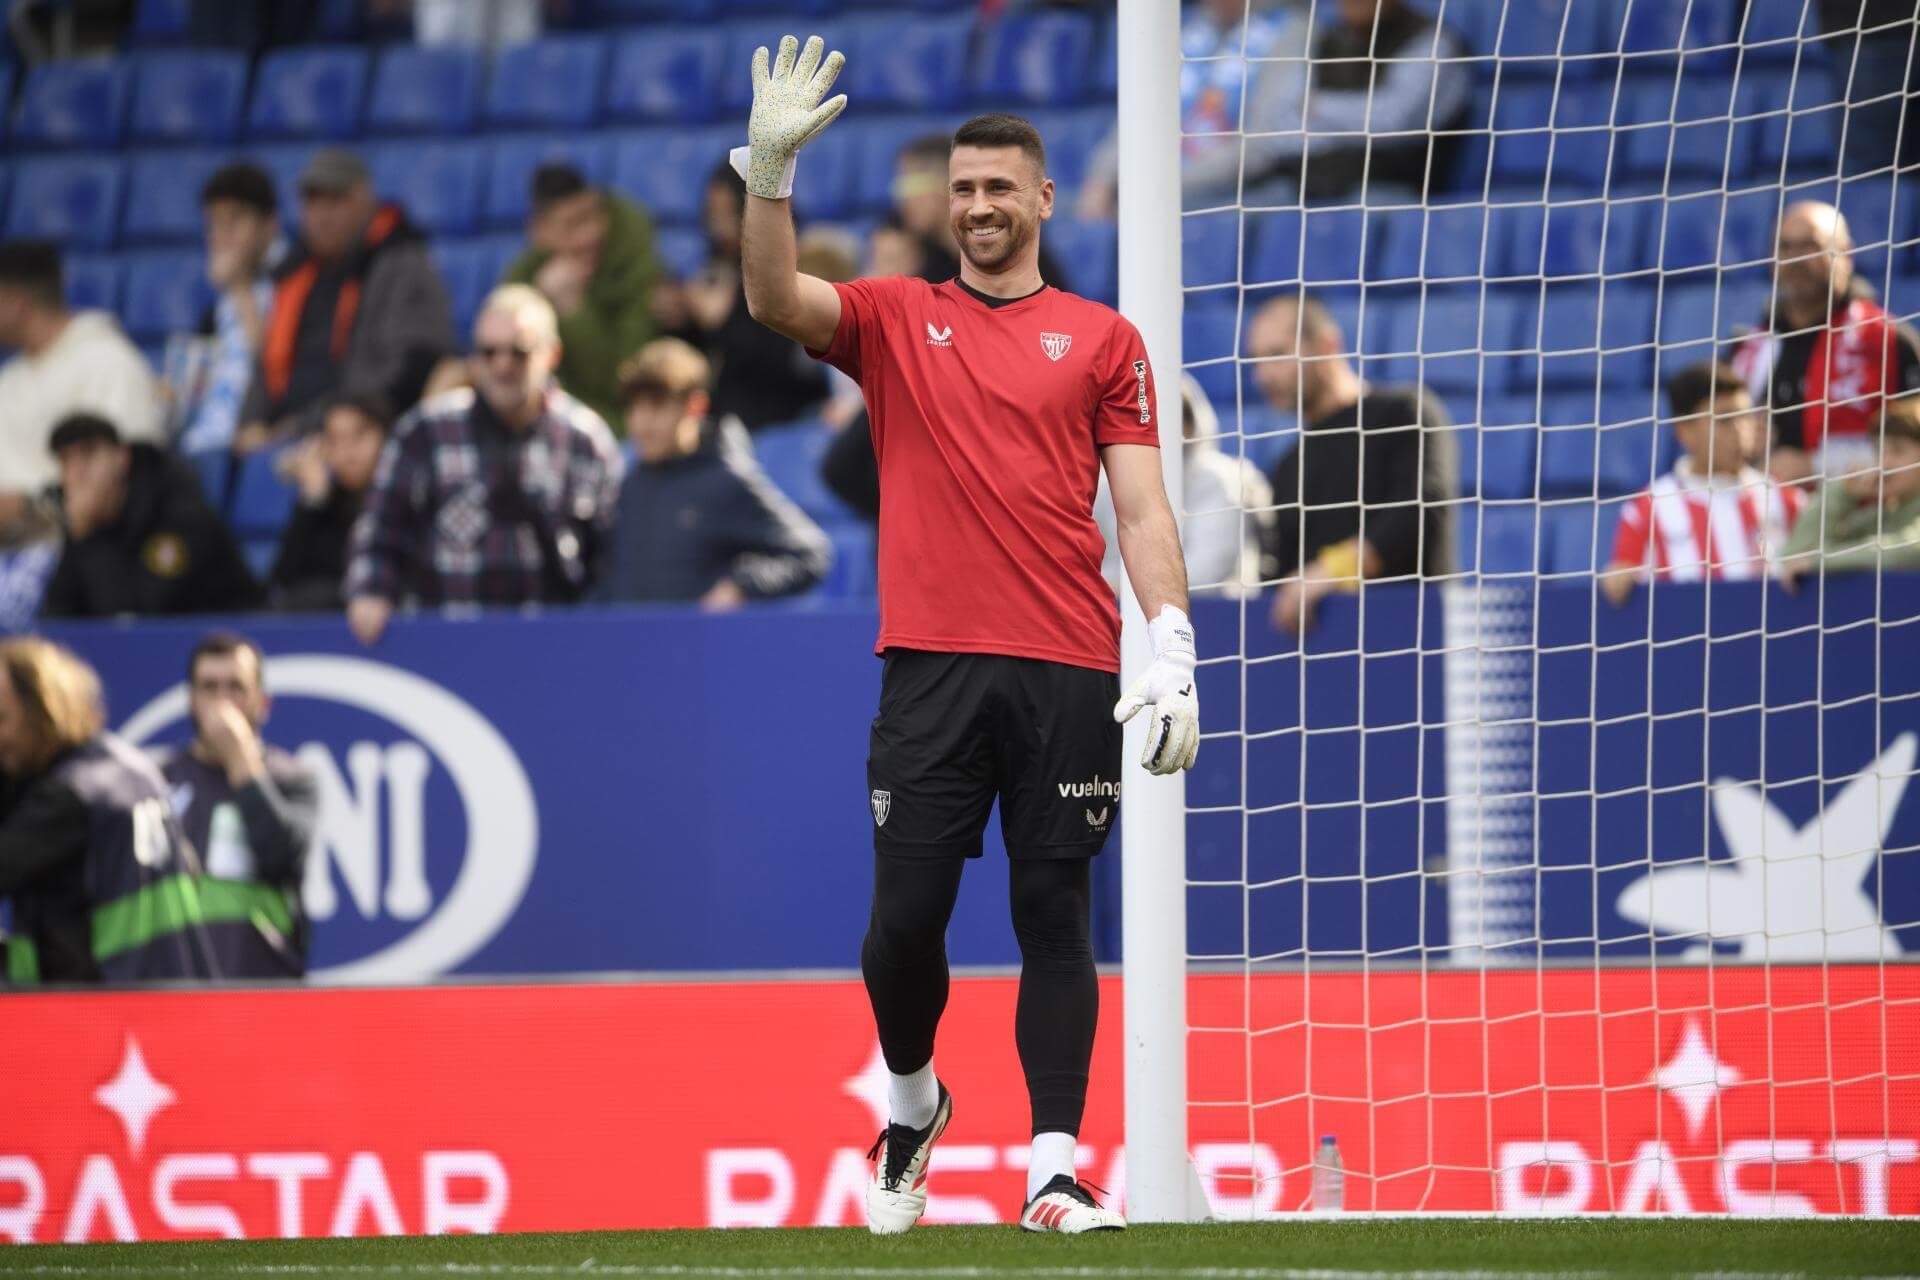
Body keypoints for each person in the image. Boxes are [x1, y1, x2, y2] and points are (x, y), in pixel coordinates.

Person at [738, 39, 1199, 1235]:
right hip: (932, 666)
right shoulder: (894, 318)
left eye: (1002, 187)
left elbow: (1142, 506)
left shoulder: (1106, 340)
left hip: (1068, 665)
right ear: (947, 205)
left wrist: (1175, 643)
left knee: (1056, 912)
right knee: (902, 926)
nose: (981, 205)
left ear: (1044, 200)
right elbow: (773, 300)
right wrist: (771, 180)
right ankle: (913, 1099)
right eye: (964, 188)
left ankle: (1054, 1169)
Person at [343, 284, 622, 645]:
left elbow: (614, 555)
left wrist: (593, 624)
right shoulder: (426, 432)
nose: (502, 366)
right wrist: (371, 591)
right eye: (489, 352)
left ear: (551, 353)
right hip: (446, 643)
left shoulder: (586, 440)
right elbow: (379, 530)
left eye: (518, 352)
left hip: (554, 645)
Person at [0, 638, 221, 984]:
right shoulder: (136, 770)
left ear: (43, 709)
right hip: (173, 1000)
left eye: (3, 719)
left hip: (96, 1015)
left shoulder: (67, 797)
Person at [1251, 292, 1455, 633]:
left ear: (1328, 345)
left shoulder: (1404, 413)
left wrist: (1332, 571)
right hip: (1327, 662)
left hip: (1414, 640)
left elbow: (1421, 511)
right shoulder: (1289, 466)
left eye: (1276, 354)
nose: (1263, 376)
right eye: (1255, 360)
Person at [237, 148, 455, 451]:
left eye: (336, 201)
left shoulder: (401, 265)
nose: (323, 215)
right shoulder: (294, 274)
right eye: (313, 202)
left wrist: (309, 424)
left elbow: (401, 373)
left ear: (365, 201)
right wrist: (251, 424)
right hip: (287, 436)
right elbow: (266, 366)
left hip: (358, 438)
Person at [594, 339, 830, 606]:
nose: (641, 422)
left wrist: (740, 586)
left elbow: (810, 553)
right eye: (633, 407)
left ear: (695, 406)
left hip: (702, 645)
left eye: (657, 405)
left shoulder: (728, 480)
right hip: (629, 644)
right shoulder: (630, 485)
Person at [1185, 0, 1470, 207]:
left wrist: (1317, 107)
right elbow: (1278, 126)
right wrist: (1348, 120)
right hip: (1304, 183)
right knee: (1222, 215)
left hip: (1388, 187)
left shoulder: (1431, 41)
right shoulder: (1324, 38)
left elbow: (1395, 121)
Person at [153, 632, 318, 978]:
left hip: (265, 983)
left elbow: (282, 855)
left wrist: (241, 762)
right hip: (178, 983)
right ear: (191, 700)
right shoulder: (158, 781)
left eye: (236, 688)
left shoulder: (292, 779)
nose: (222, 702)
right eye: (210, 688)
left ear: (263, 702)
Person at [1731, 201, 1920, 484]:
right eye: (1785, 247)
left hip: (1863, 516)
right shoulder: (1746, 349)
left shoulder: (1890, 341)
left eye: (1810, 246)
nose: (1795, 259)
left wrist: (1816, 466)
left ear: (1846, 253)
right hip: (1763, 511)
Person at [1601, 361, 1805, 606]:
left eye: (1745, 416)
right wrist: (1617, 579)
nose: (1741, 431)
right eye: (1725, 420)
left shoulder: (1787, 500)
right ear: (1685, 431)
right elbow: (1622, 578)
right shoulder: (1646, 509)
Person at [0, 241, 162, 545]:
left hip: (73, 555)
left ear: (15, 301)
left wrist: (29, 508)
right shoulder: (8, 380)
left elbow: (132, 484)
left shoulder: (108, 362)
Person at [1077, 0, 1296, 218]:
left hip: (1238, 191)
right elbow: (1139, 116)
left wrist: (1161, 186)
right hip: (1161, 188)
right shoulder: (1190, 32)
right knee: (1056, 209)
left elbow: (1264, 143)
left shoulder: (1291, 31)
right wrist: (1102, 177)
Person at [39, 415, 262, 619]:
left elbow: (138, 614)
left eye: (88, 455)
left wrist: (89, 538)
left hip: (229, 641)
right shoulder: (83, 522)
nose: (77, 473)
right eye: (66, 461)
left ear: (122, 457)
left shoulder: (178, 512)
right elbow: (57, 616)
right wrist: (82, 536)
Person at [666, 162, 831, 430]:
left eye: (729, 213)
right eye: (713, 215)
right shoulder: (716, 270)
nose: (719, 227)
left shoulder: (794, 267)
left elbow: (789, 363)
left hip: (779, 413)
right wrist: (681, 320)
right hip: (722, 416)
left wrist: (721, 324)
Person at [502, 163, 666, 431]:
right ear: (540, 233)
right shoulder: (524, 279)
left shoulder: (638, 266)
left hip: (620, 421)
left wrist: (573, 311)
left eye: (593, 216)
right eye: (572, 225)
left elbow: (625, 382)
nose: (591, 234)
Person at [1097, 374, 1274, 598]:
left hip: (1215, 619)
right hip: (1127, 620)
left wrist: (1116, 589)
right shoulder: (1108, 488)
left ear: (1189, 426)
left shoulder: (1222, 480)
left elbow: (1206, 573)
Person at [172, 162, 283, 457]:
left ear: (270, 224)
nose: (221, 237)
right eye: (213, 225)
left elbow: (276, 371)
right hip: (202, 448)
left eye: (233, 222)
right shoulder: (216, 311)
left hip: (254, 441)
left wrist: (239, 287)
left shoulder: (293, 283)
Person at [1778, 394, 1920, 587]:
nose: (1884, 464)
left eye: (1898, 450)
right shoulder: (1878, 518)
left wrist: (1819, 562)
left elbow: (1907, 550)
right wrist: (1843, 492)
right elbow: (1796, 553)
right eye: (1879, 451)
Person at [269, 393, 391, 611]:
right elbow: (284, 578)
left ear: (386, 437)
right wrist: (312, 500)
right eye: (335, 441)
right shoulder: (327, 502)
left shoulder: (406, 498)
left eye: (359, 436)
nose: (347, 453)